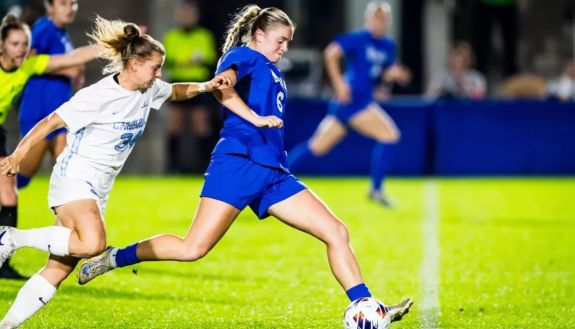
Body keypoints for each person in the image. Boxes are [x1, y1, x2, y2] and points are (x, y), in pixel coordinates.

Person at [73, 4, 413, 324]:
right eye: (280, 41)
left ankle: (367, 307)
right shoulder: (244, 55)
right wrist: (252, 114)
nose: (284, 48)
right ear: (260, 35)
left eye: (287, 43)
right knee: (192, 248)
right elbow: (225, 85)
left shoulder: (272, 67)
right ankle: (114, 257)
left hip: (273, 173)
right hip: (237, 164)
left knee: (336, 231)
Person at [0, 16, 227, 328]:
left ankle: (7, 324)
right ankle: (12, 237)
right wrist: (17, 155)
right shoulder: (98, 95)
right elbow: (50, 122)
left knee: (59, 269)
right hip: (75, 177)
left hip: (97, 187)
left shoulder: (148, 89)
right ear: (133, 63)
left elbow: (173, 91)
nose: (158, 74)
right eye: (154, 68)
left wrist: (205, 86)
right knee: (93, 244)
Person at [0, 13, 99, 280]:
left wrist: (107, 46)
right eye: (14, 44)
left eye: (24, 44)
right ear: (2, 46)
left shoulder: (29, 65)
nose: (21, 49)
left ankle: (2, 264)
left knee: (9, 193)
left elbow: (71, 59)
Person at [288, 1, 411, 207]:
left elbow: (384, 71)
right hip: (353, 101)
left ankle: (273, 179)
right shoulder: (359, 38)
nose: (380, 21)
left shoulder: (389, 45)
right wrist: (338, 84)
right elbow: (331, 53)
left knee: (317, 147)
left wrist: (395, 75)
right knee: (390, 135)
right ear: (368, 18)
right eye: (377, 17)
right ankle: (376, 189)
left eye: (384, 18)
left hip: (359, 102)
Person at [18, 0, 84, 191]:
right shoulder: (44, 28)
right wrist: (67, 71)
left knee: (68, 178)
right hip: (40, 112)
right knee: (19, 177)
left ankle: (69, 220)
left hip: (59, 112)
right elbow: (27, 60)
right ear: (50, 7)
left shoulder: (62, 33)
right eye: (63, 3)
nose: (69, 8)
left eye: (73, 3)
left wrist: (75, 76)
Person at [163, 0, 218, 173]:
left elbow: (210, 60)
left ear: (196, 15)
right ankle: (173, 167)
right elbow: (167, 61)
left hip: (199, 85)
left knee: (201, 126)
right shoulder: (171, 36)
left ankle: (205, 166)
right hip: (177, 83)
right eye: (183, 13)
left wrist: (192, 62)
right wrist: (186, 62)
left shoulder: (204, 36)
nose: (186, 17)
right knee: (174, 126)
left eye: (189, 13)